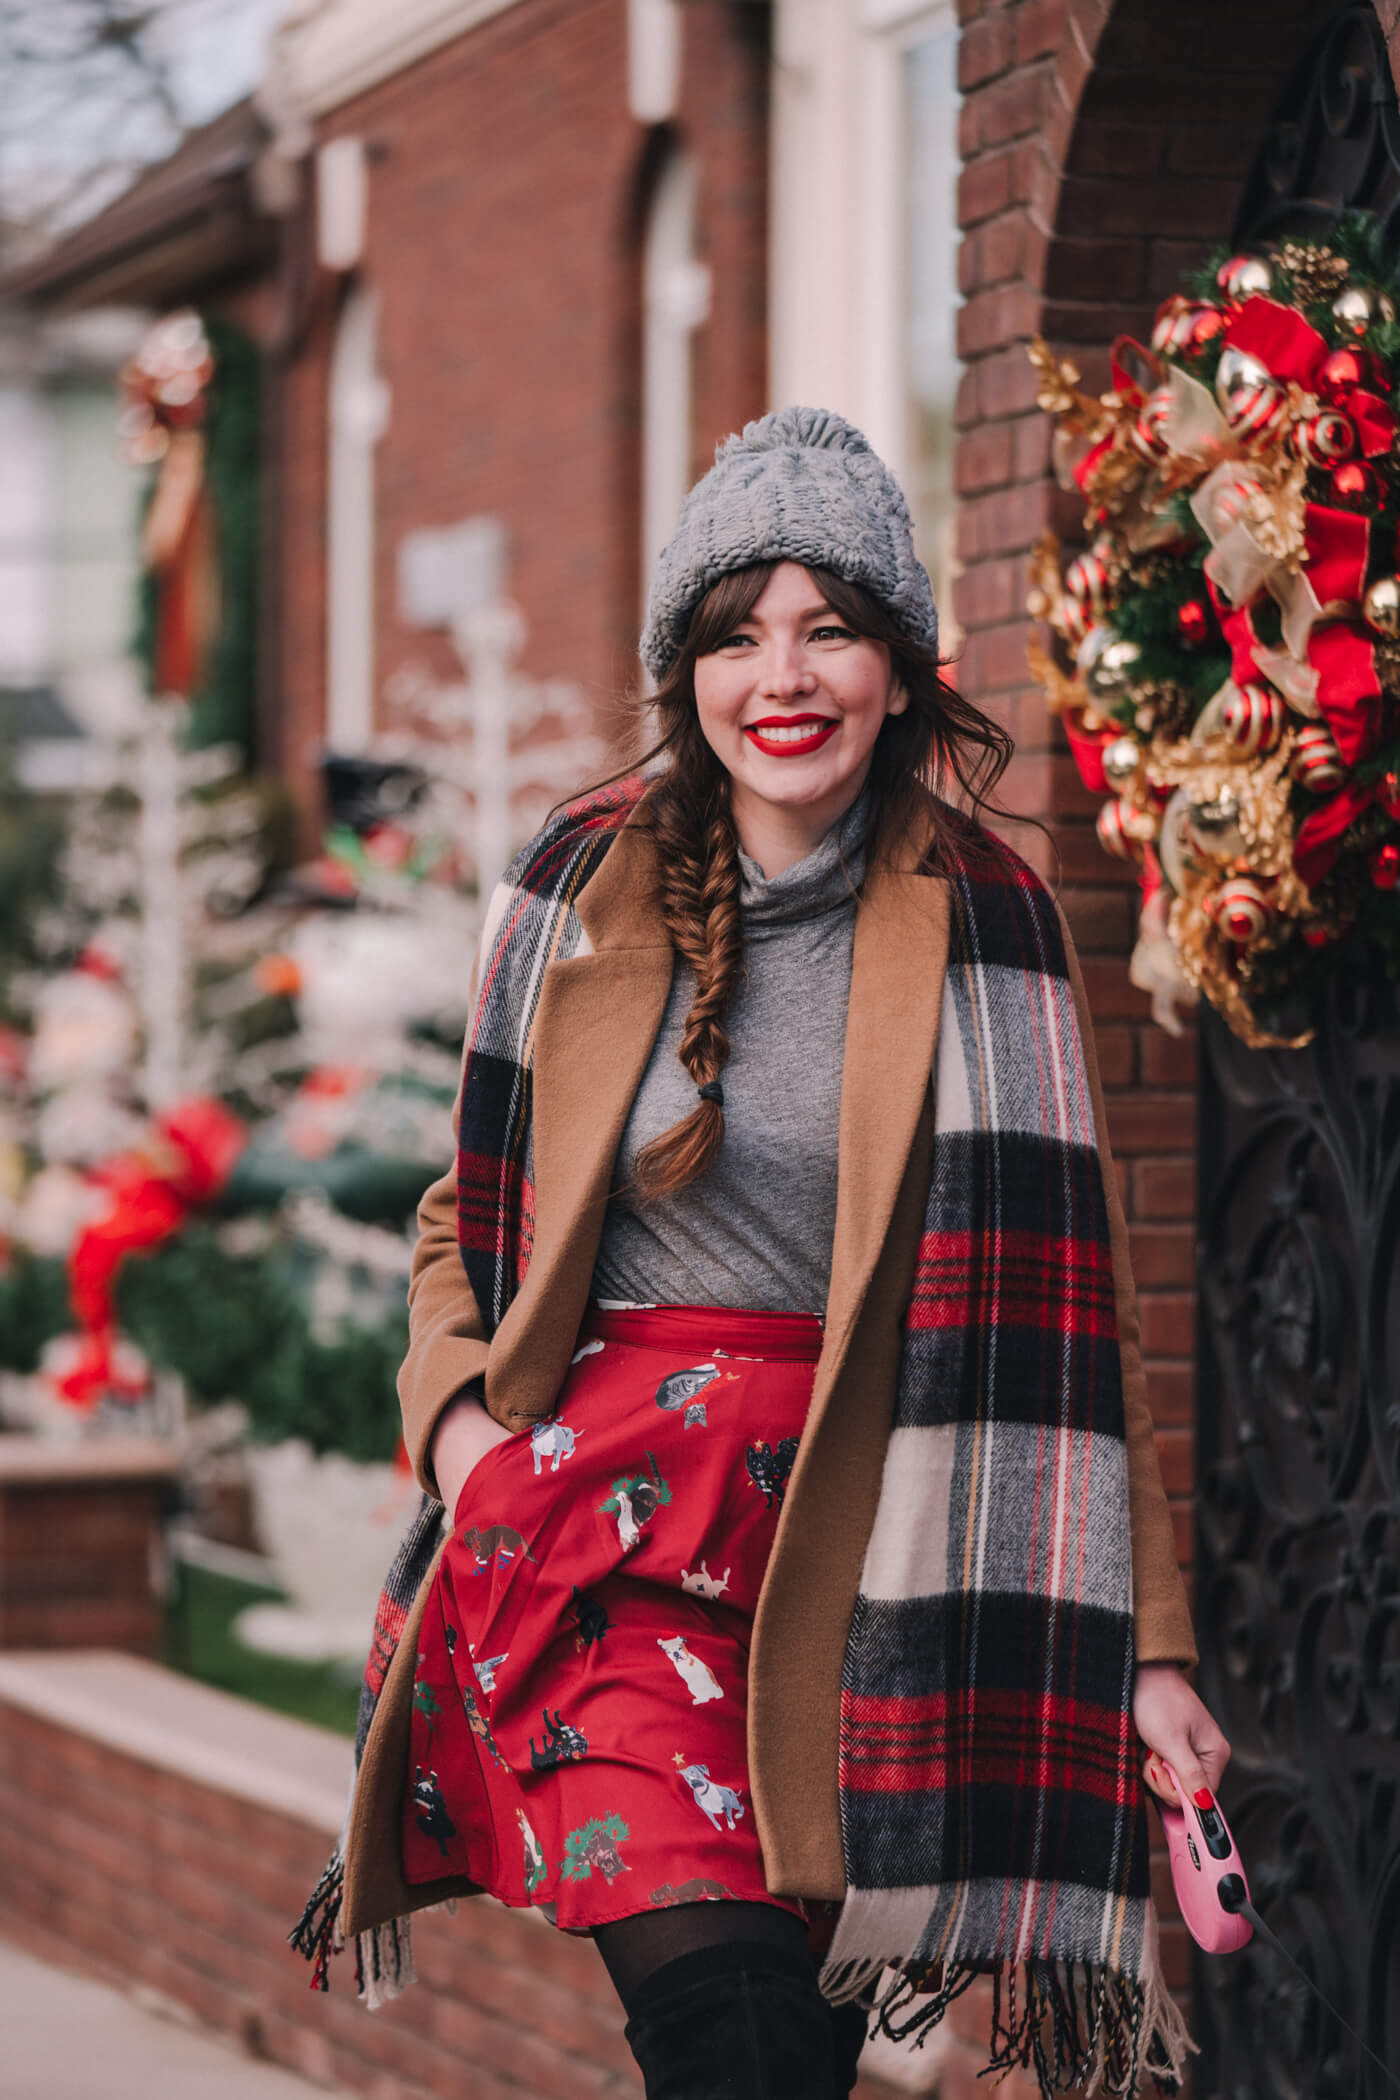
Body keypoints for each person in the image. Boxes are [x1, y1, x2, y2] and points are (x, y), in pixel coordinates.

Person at [299, 408, 1228, 2099]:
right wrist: (463, 1439)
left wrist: (1147, 1653)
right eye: (735, 635)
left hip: (859, 1561)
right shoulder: (577, 884)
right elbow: (469, 1214)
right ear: (688, 672)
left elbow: (1073, 1333)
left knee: (784, 2044)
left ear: (897, 664)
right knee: (728, 2033)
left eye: (830, 627)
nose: (780, 676)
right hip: (601, 1532)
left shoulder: (988, 927)